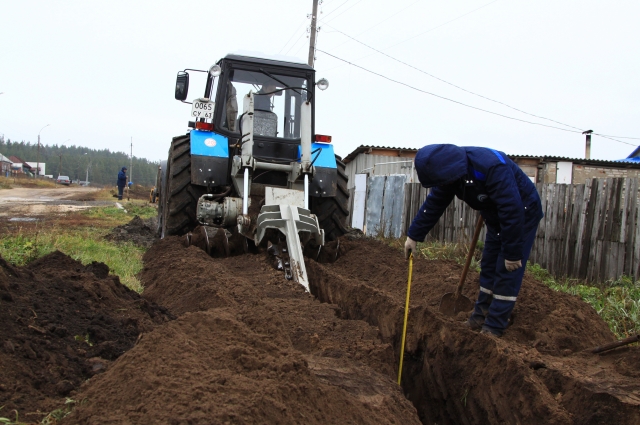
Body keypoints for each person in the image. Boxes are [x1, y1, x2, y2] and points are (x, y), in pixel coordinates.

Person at [404, 144, 543, 337]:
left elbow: (512, 209)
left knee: (505, 269)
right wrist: (414, 235)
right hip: (494, 216)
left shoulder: (492, 167)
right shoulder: (451, 173)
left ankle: (494, 326)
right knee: (488, 265)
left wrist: (512, 253)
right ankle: (480, 315)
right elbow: (435, 203)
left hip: (521, 214)